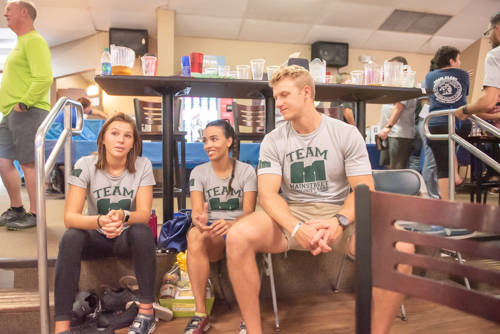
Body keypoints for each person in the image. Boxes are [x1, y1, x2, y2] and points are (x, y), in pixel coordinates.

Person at [225, 65, 414, 334]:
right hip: (290, 215)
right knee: (237, 236)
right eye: (275, 96)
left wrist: (339, 221)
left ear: (306, 93)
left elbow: (363, 190)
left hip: (340, 216)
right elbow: (267, 194)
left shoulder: (346, 134)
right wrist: (296, 228)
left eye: (284, 95)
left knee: (401, 246)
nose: (277, 103)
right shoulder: (273, 140)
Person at [54, 113, 158, 334]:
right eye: (114, 133)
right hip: (95, 237)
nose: (120, 140)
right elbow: (70, 217)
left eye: (127, 135)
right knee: (71, 236)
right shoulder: (85, 164)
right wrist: (100, 221)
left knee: (142, 231)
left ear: (133, 143)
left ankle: (147, 314)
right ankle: (61, 327)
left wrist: (123, 216)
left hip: (125, 237)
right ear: (103, 139)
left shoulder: (143, 165)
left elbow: (144, 212)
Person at [184, 120, 257, 334]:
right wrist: (201, 221)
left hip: (240, 231)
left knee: (242, 234)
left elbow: (249, 213)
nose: (208, 145)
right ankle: (200, 314)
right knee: (195, 236)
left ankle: (247, 315)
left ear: (229, 141)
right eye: (205, 140)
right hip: (213, 234)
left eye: (214, 139)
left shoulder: (246, 171)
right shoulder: (198, 172)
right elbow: (197, 212)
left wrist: (232, 224)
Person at [0, 0, 53, 230]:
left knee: (29, 164)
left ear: (24, 12)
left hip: (28, 111)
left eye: (8, 9)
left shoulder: (34, 40)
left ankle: (35, 213)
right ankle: (17, 209)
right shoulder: (21, 43)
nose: (4, 13)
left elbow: (44, 77)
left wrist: (23, 104)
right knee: (3, 162)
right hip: (11, 113)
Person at [425, 46, 471, 201]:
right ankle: (456, 177)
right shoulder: (464, 74)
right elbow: (463, 94)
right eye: (458, 59)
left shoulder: (429, 76)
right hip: (460, 123)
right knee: (451, 148)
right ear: (452, 60)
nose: (459, 63)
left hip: (436, 123)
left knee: (442, 165)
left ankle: (446, 204)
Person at [455, 11, 500, 121]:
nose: (488, 39)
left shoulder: (495, 54)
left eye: (489, 33)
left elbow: (488, 102)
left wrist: (464, 110)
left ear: (498, 30)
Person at [377, 56, 417, 169]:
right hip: (389, 133)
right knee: (388, 164)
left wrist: (388, 126)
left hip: (399, 134)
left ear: (403, 69)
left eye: (393, 68)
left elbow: (398, 108)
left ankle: (399, 186)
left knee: (398, 168)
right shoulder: (394, 85)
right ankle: (392, 186)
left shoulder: (405, 84)